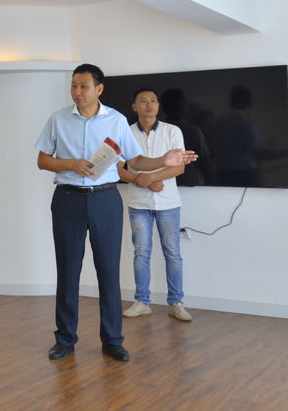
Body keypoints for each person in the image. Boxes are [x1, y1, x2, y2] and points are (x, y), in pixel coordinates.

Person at [36, 65, 196, 363]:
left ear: (99, 89)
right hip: (68, 200)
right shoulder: (58, 118)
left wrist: (164, 159)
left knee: (108, 272)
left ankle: (112, 341)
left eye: (83, 86)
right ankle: (65, 339)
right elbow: (43, 160)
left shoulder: (117, 120)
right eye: (73, 86)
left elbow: (136, 161)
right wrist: (72, 164)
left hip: (106, 200)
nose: (77, 92)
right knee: (68, 271)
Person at [117, 87, 192, 322]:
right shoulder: (126, 133)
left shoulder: (173, 131)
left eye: (153, 101)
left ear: (158, 106)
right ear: (134, 107)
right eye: (143, 101)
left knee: (173, 253)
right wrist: (143, 181)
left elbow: (179, 167)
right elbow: (119, 169)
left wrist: (150, 178)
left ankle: (176, 303)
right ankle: (142, 302)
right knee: (141, 253)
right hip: (138, 203)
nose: (149, 104)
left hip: (168, 202)